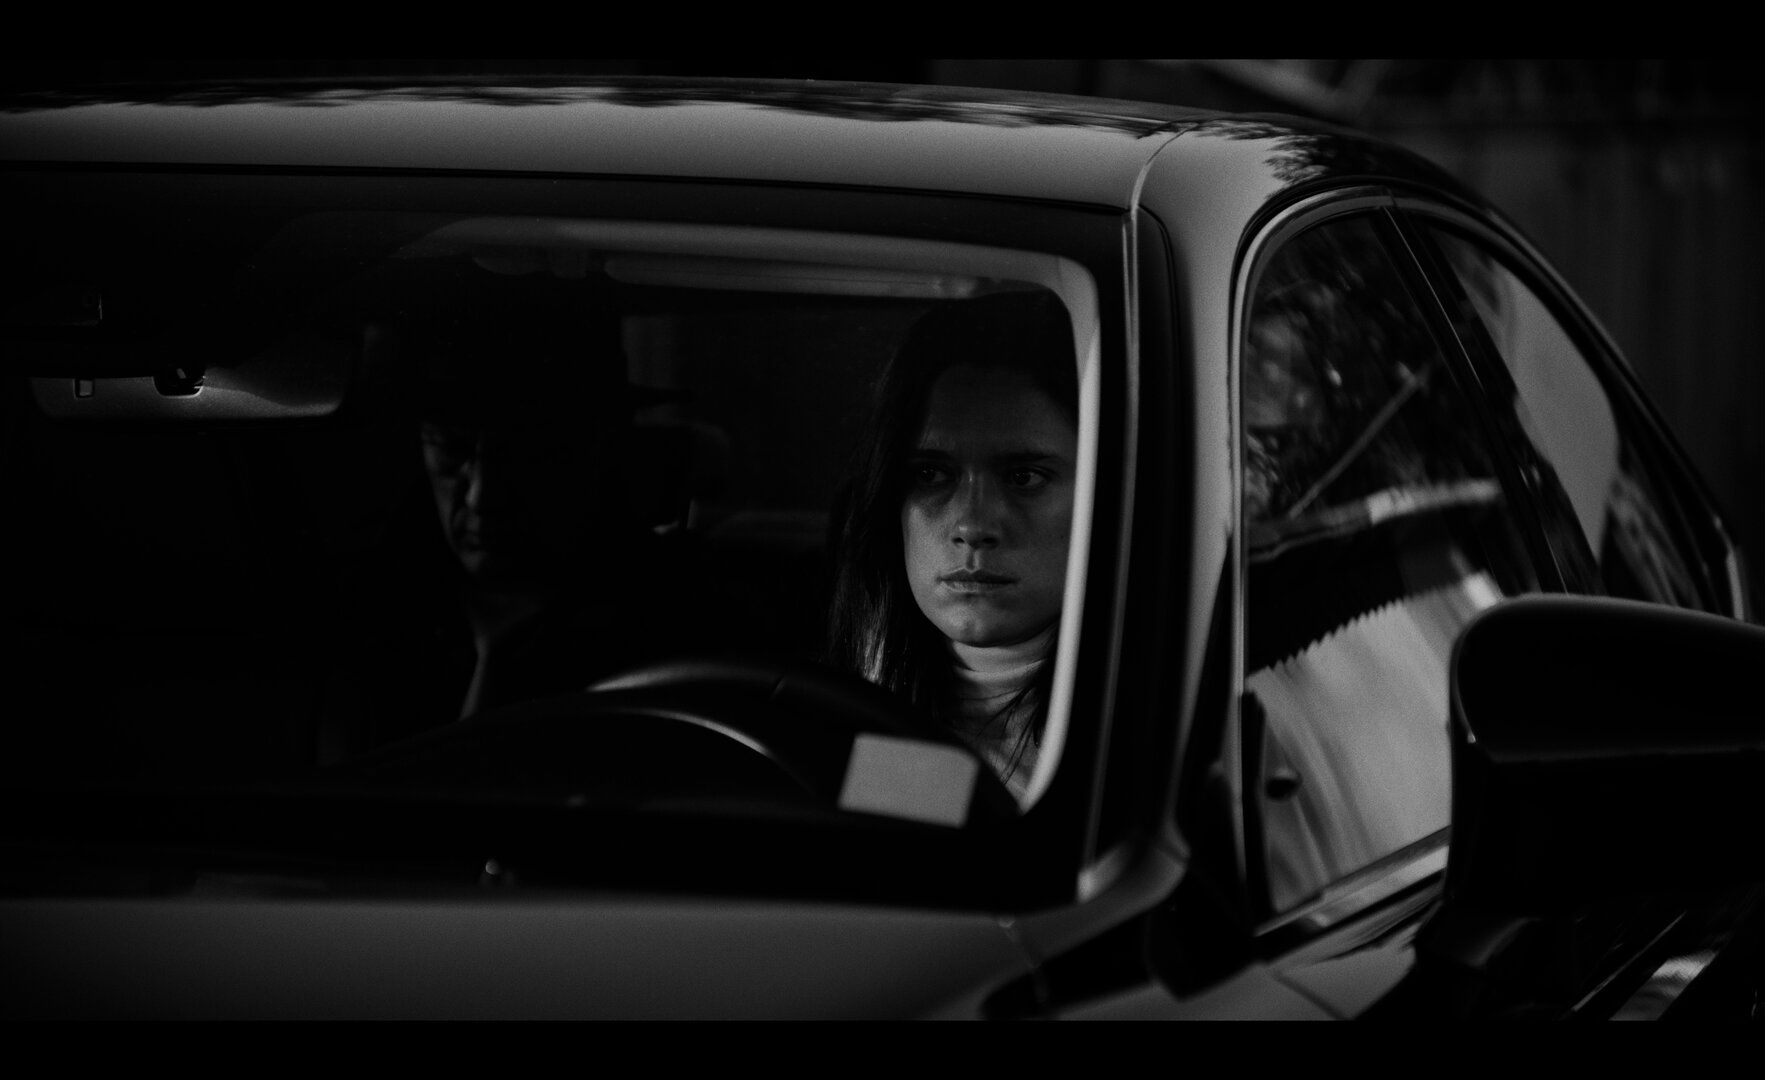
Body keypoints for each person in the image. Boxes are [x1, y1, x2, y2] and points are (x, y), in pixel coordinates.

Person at [826, 289, 1079, 805]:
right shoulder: (838, 699)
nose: (972, 525)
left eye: (1024, 477)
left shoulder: (1158, 735)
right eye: (931, 474)